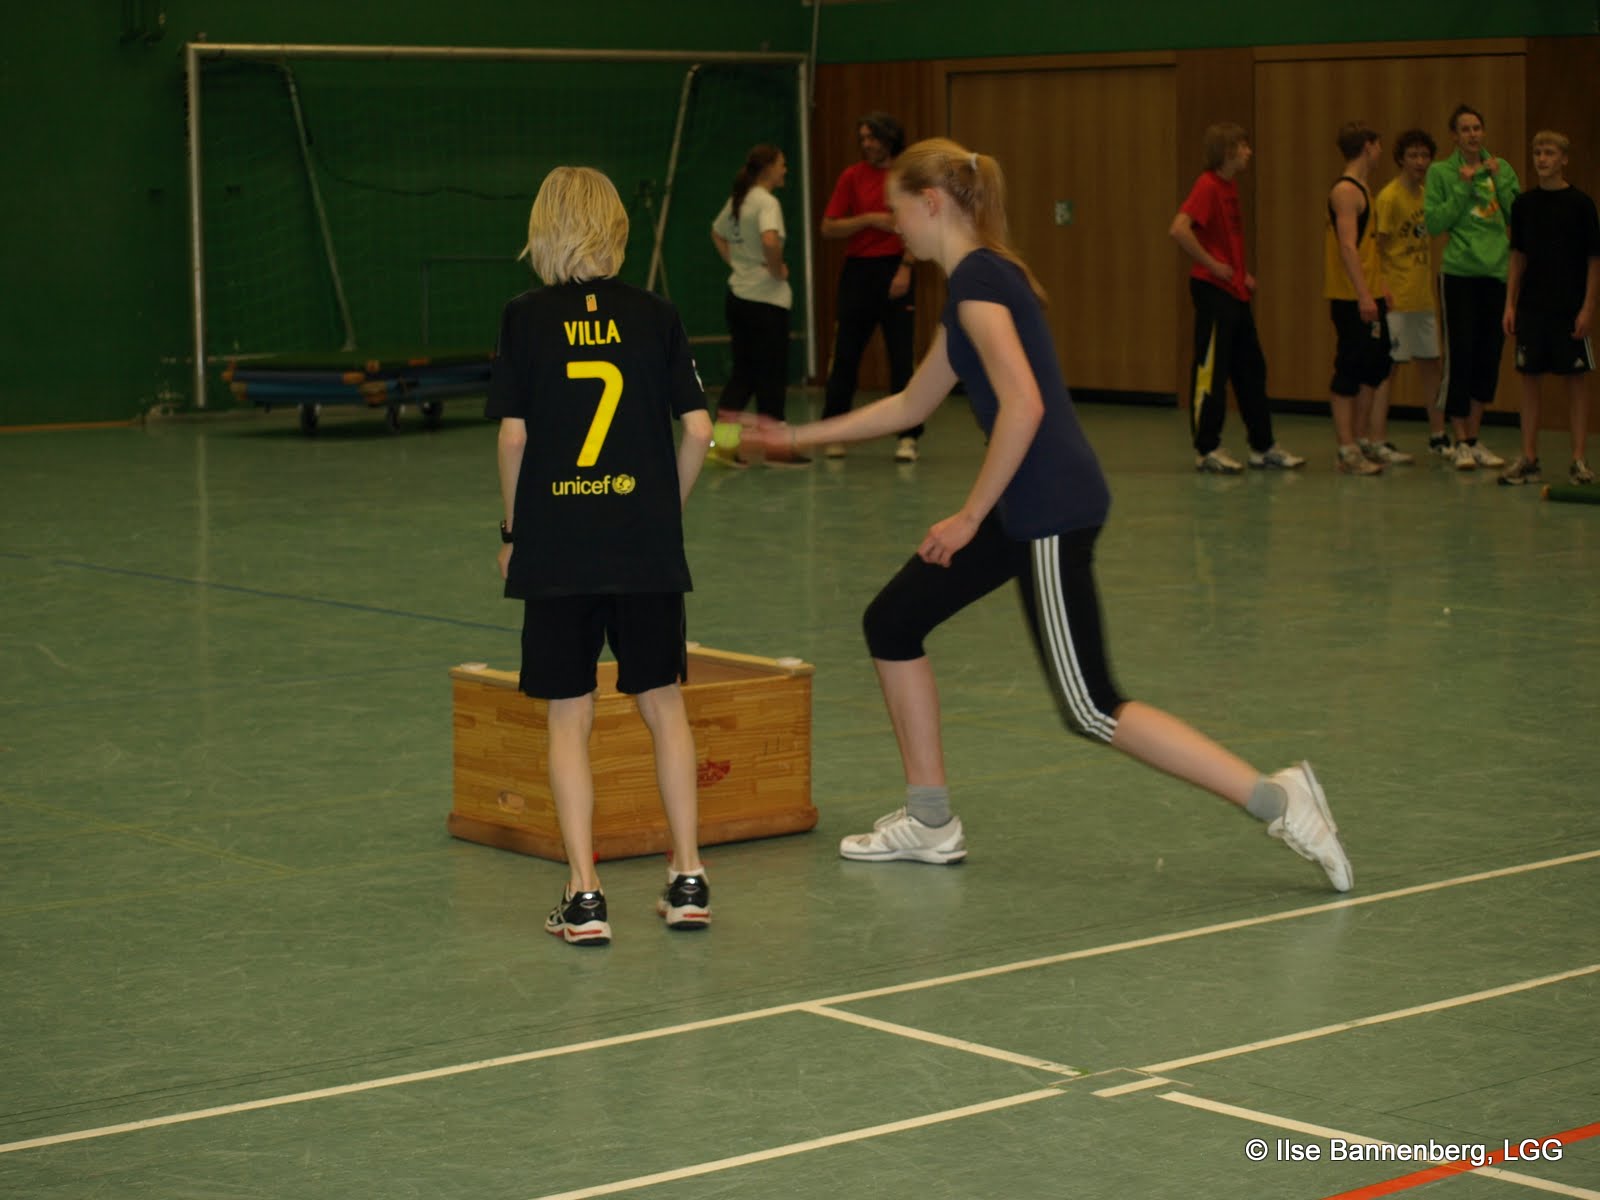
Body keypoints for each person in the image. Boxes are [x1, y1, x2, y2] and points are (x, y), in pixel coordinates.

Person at [744, 138, 1352, 893]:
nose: (893, 225)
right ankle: (930, 821)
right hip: (1022, 505)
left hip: (1045, 510)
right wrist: (793, 438)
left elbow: (1024, 406)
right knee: (892, 622)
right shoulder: (978, 282)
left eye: (897, 210)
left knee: (1091, 706)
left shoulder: (977, 284)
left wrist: (969, 515)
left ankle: (1278, 800)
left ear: (931, 203)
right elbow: (910, 403)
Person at [487, 166, 716, 946]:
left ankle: (584, 894)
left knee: (569, 714)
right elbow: (699, 430)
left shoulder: (525, 317)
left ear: (545, 229)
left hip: (559, 544)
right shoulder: (657, 314)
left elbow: (513, 437)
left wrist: (514, 533)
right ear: (616, 228)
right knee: (663, 703)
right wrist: (662, 511)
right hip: (643, 543)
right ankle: (688, 877)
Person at [1169, 123, 1304, 474]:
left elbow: (1223, 239)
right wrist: (1213, 265)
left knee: (1251, 369)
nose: (1248, 152)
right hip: (1213, 291)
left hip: (1234, 292)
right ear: (1227, 151)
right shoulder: (1207, 185)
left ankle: (1263, 445)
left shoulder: (1229, 187)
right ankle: (1207, 448)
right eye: (1242, 146)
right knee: (1211, 370)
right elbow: (1179, 229)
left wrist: (1241, 273)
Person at [820, 111, 923, 463]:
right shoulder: (852, 177)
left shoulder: (907, 176)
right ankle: (835, 432)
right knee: (845, 355)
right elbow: (828, 227)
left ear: (889, 139)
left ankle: (908, 437)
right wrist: (868, 220)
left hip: (896, 269)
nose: (866, 144)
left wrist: (905, 268)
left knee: (901, 356)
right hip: (858, 273)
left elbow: (918, 226)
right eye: (862, 138)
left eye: (872, 138)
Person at [1499, 131, 1600, 486]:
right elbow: (1518, 257)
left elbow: (1594, 260)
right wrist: (1510, 304)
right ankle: (1528, 458)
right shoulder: (1523, 205)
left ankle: (1578, 460)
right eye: (1538, 152)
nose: (1542, 158)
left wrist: (1588, 307)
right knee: (1529, 379)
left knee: (1576, 381)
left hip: (1569, 308)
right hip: (1532, 308)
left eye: (1549, 153)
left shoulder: (1581, 204)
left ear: (1564, 159)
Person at [1425, 103, 1519, 471]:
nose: (1472, 134)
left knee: (1488, 356)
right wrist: (1463, 188)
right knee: (1460, 354)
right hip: (1459, 274)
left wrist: (1498, 181)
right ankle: (1460, 438)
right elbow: (1435, 223)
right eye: (1465, 129)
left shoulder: (1501, 167)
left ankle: (1475, 438)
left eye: (1477, 128)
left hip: (1496, 273)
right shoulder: (1441, 172)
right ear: (1454, 136)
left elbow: (1516, 216)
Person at [1373, 129, 1449, 459]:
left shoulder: (1426, 195)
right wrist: (1382, 288)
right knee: (1388, 367)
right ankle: (1377, 439)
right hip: (1396, 297)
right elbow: (1376, 248)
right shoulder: (1389, 197)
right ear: (1401, 159)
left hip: (1422, 296)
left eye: (1425, 155)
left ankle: (1438, 435)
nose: (1420, 162)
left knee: (1432, 364)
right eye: (1413, 155)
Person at [1323, 122, 1392, 475]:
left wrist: (1380, 287)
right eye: (1378, 145)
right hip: (1351, 296)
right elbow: (1348, 246)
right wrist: (1364, 294)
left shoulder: (1365, 188)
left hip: (1370, 293)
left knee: (1375, 365)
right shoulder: (1346, 192)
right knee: (1349, 368)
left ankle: (1361, 439)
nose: (1380, 152)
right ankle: (1346, 449)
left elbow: (1367, 248)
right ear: (1368, 145)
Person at [711, 144, 793, 437]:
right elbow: (770, 240)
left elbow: (717, 232)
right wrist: (776, 269)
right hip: (765, 301)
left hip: (739, 298)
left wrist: (737, 263)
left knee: (743, 374)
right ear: (768, 168)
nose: (785, 170)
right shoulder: (767, 202)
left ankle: (724, 445)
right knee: (771, 375)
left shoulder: (740, 199)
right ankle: (776, 446)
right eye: (782, 164)